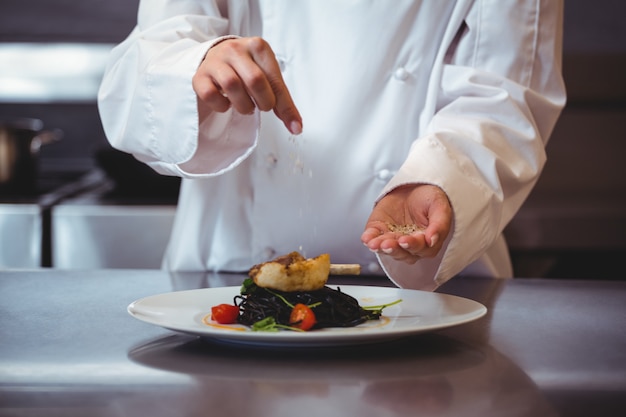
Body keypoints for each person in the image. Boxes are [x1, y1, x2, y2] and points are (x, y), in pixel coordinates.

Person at [98, 0, 566, 290]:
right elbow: (150, 58)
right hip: (227, 274)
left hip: (432, 288)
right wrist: (198, 63)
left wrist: (441, 182)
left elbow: (504, 98)